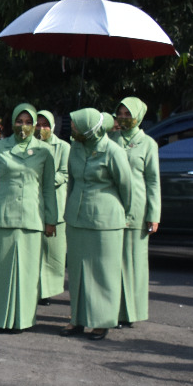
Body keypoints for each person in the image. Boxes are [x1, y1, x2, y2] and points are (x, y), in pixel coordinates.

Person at [0, 104, 58, 333]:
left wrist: (51, 219)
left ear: (35, 125)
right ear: (12, 122)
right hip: (1, 216)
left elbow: (48, 189)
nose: (23, 126)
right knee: (0, 272)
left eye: (28, 122)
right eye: (19, 121)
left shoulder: (44, 151)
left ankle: (22, 320)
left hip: (32, 218)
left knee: (28, 273)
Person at [61, 108, 133, 340]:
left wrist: (124, 214)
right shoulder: (75, 149)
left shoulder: (112, 150)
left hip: (105, 220)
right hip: (77, 218)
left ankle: (101, 322)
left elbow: (126, 186)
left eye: (75, 125)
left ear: (89, 128)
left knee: (103, 272)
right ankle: (77, 319)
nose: (72, 129)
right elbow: (71, 182)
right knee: (78, 271)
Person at [111, 97, 161, 326]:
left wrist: (154, 215)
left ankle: (131, 312)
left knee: (133, 262)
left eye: (128, 114)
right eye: (120, 113)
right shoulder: (111, 139)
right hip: (112, 206)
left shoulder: (148, 143)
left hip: (137, 208)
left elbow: (153, 181)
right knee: (112, 261)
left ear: (139, 116)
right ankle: (112, 309)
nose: (123, 118)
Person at [36, 110, 70, 305]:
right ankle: (34, 288)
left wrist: (45, 179)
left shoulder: (63, 147)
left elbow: (64, 173)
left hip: (56, 203)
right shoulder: (30, 146)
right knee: (35, 250)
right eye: (38, 124)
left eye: (45, 125)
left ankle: (48, 290)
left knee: (53, 251)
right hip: (35, 203)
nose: (41, 128)